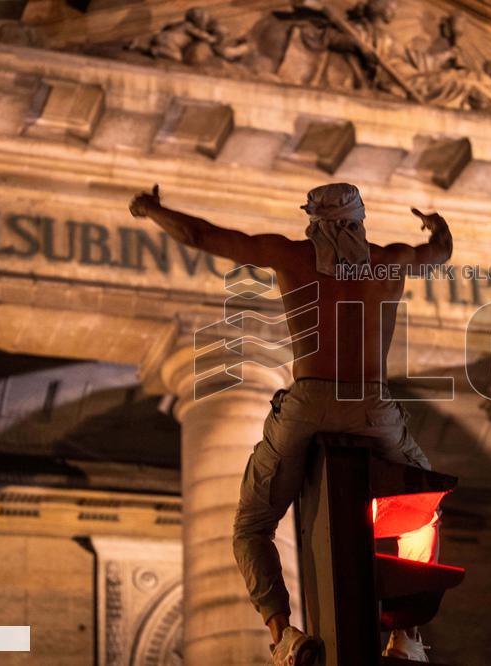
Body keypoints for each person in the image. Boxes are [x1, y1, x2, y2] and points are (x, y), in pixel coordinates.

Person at [129, 182, 453, 664]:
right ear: (360, 218)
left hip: (308, 404)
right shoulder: (392, 260)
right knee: (424, 506)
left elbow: (201, 235)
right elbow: (442, 251)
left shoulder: (291, 255)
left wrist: (152, 209)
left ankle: (284, 635)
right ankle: (405, 634)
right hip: (371, 406)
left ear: (313, 220)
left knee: (252, 527)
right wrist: (435, 225)